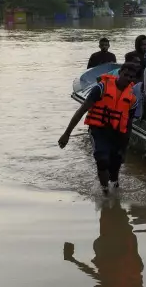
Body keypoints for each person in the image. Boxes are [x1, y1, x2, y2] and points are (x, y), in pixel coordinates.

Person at [59, 62, 138, 195]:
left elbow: (128, 125)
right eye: (126, 75)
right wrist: (67, 134)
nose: (128, 79)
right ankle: (105, 193)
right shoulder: (101, 88)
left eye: (131, 77)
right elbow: (82, 110)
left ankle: (115, 192)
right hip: (98, 130)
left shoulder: (132, 99)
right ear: (119, 73)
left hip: (117, 133)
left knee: (115, 167)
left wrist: (124, 149)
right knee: (102, 160)